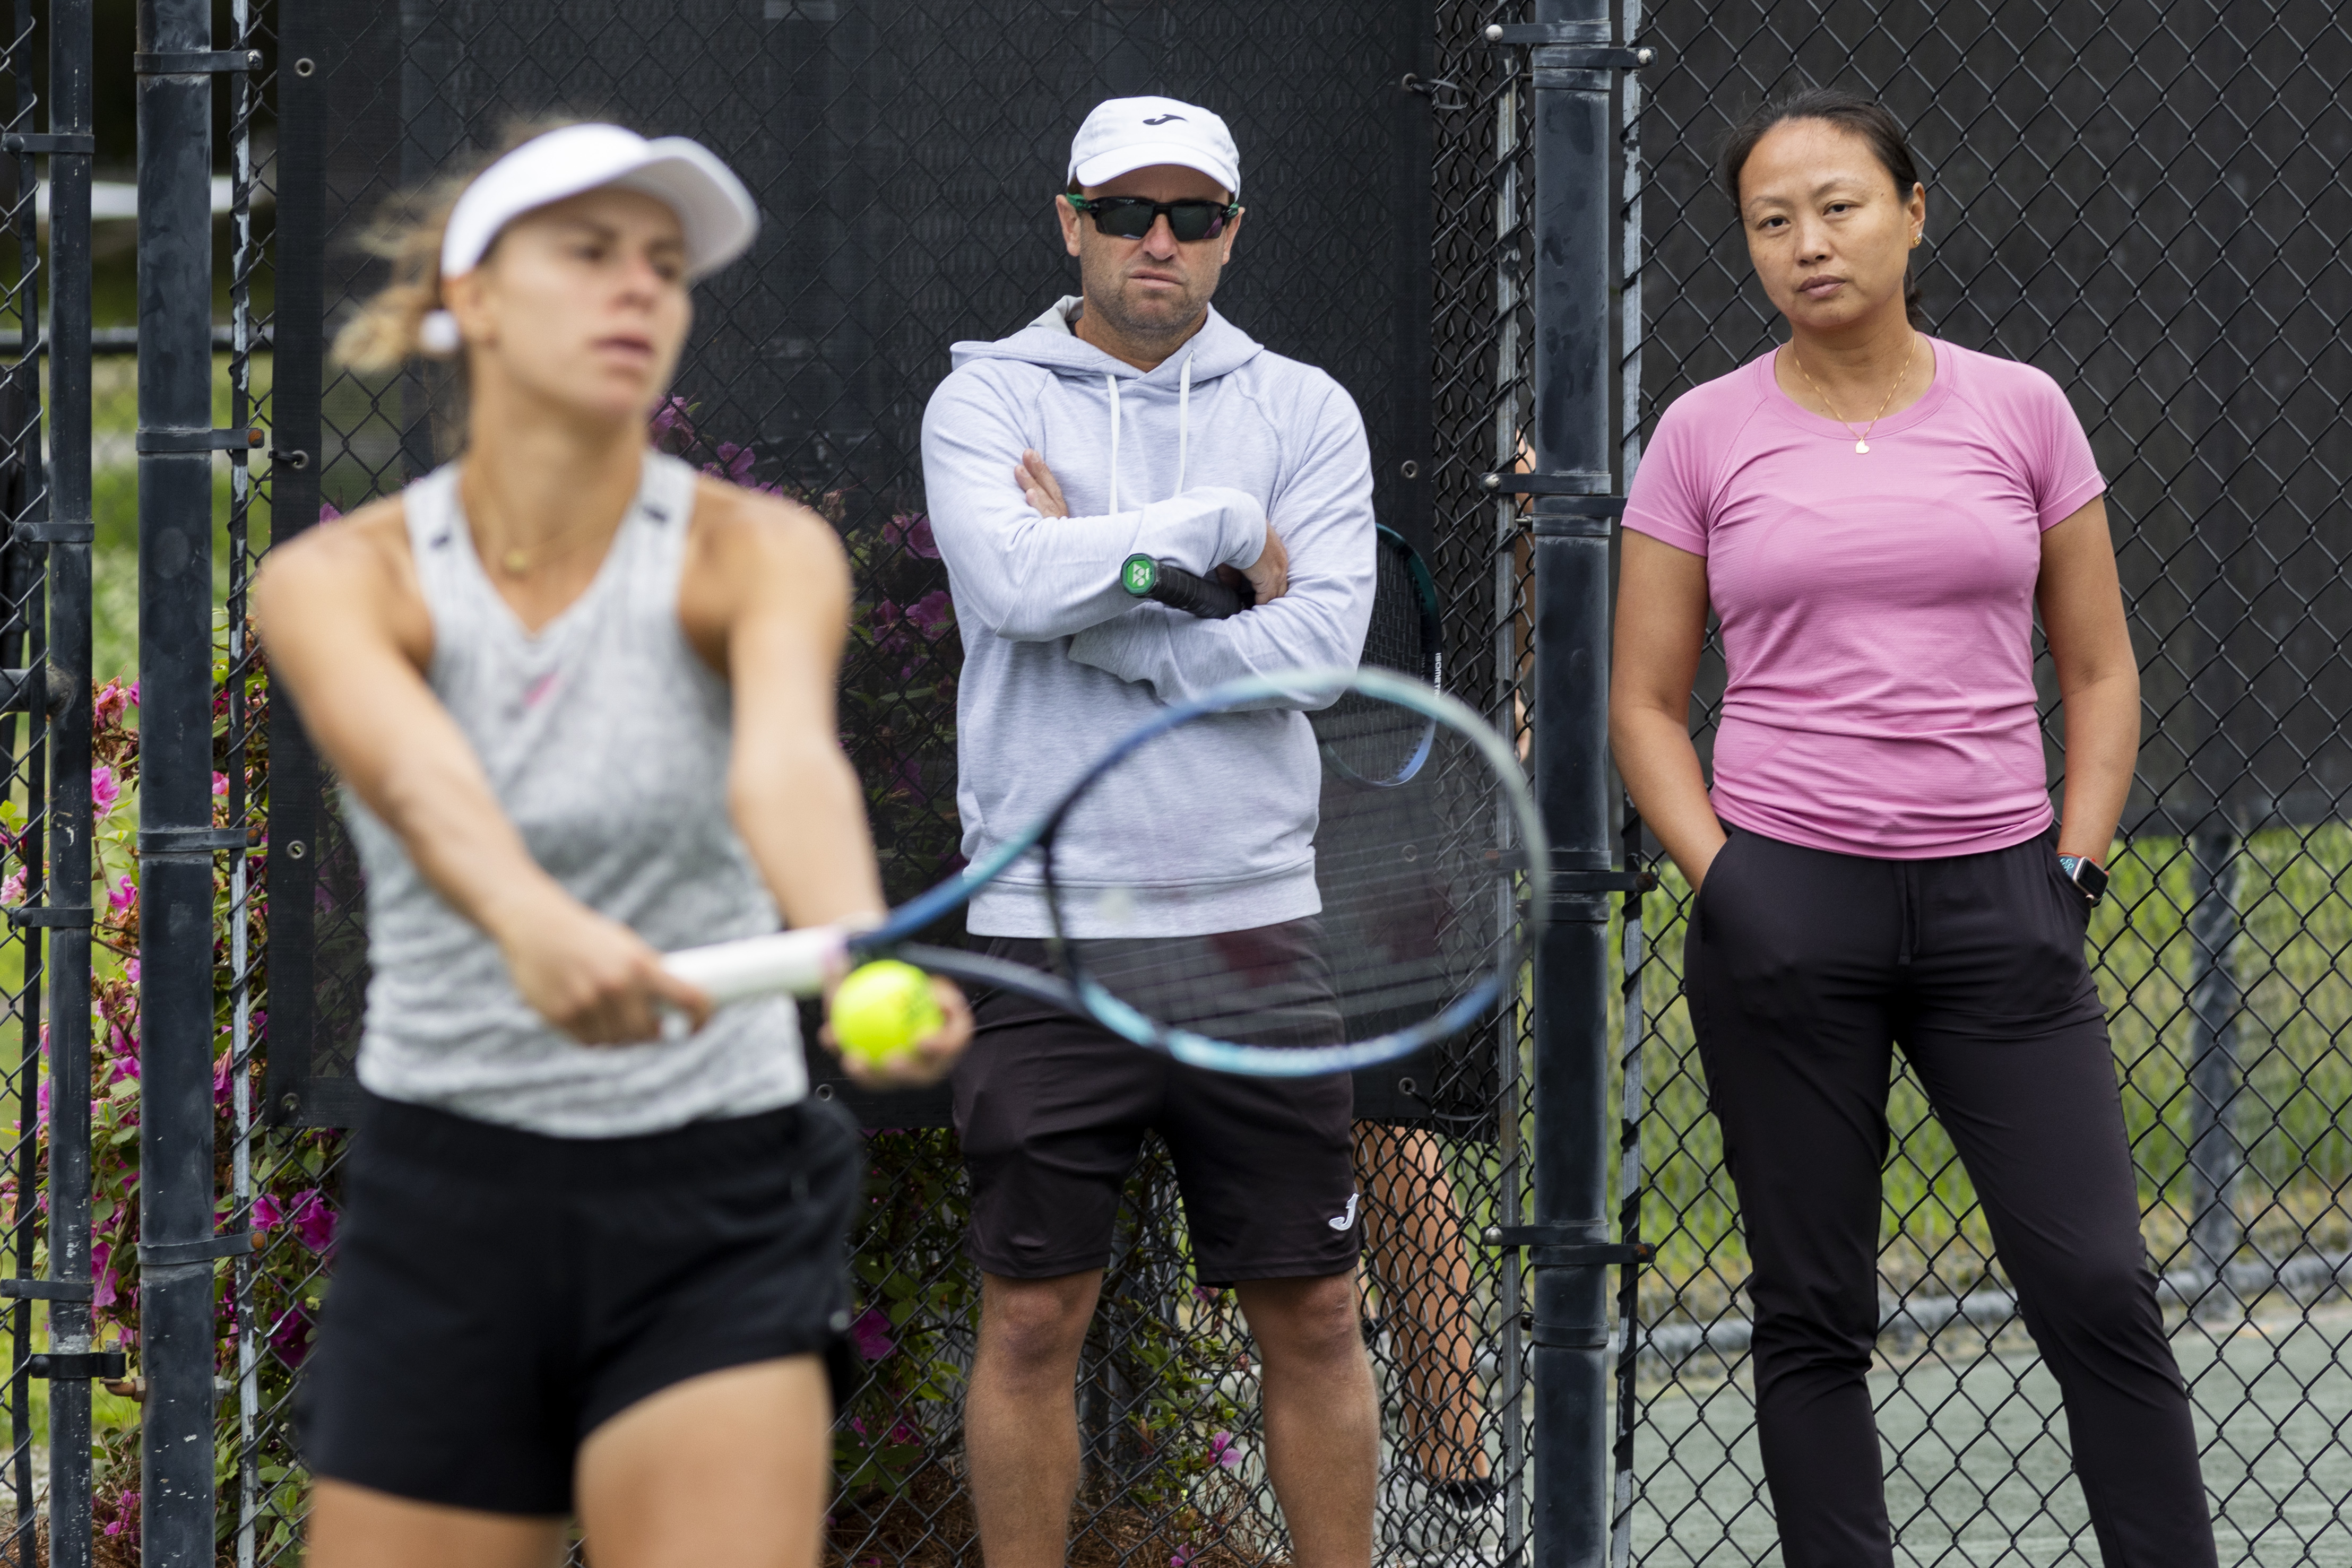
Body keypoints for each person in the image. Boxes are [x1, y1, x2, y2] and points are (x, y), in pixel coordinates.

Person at [255, 121, 971, 1568]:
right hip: (446, 1189)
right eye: (588, 254)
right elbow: (418, 777)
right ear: (473, 297)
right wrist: (530, 918)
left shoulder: (754, 551)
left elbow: (786, 763)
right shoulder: (339, 576)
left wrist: (855, 950)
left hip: (712, 1191)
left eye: (665, 265)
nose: (640, 289)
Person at [1609, 88, 2218, 1567]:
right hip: (1783, 917)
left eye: (1839, 206)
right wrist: (1727, 876)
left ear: (1914, 211)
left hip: (2002, 907)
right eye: (1772, 221)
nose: (1808, 243)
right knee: (1812, 1311)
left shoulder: (2022, 409)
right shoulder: (1700, 434)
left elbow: (2101, 668)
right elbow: (1641, 700)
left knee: (2096, 1286)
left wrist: (2070, 861)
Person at [920, 96, 1380, 1568]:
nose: (1158, 241)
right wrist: (1219, 538)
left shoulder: (1306, 409)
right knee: (1036, 1311)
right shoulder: (985, 399)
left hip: (1251, 928)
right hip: (1044, 938)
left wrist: (1106, 607)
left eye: (1190, 215)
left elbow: (1316, 653)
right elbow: (1005, 584)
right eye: (1126, 212)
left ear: (1234, 233)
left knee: (1311, 1307)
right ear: (1071, 221)